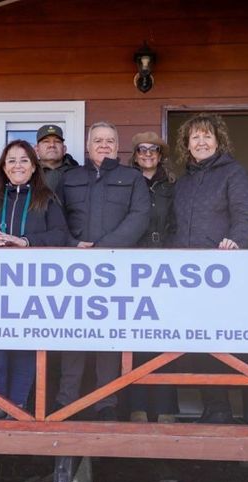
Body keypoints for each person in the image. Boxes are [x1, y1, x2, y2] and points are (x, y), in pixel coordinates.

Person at [54, 121, 150, 421]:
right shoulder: (69, 178)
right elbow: (56, 217)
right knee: (74, 331)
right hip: (75, 270)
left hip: (115, 269)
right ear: (87, 145)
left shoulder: (131, 178)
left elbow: (140, 216)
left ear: (117, 145)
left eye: (110, 140)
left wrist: (106, 248)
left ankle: (106, 402)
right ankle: (66, 399)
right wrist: (72, 244)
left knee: (109, 333)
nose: (104, 145)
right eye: (98, 140)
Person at [0, 140, 68, 419]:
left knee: (24, 343)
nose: (17, 165)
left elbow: (60, 235)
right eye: (11, 161)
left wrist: (26, 242)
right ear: (3, 168)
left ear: (34, 167)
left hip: (33, 287)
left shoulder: (47, 199)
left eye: (24, 160)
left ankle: (17, 405)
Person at [169, 112, 248, 424]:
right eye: (195, 137)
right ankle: (211, 405)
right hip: (185, 277)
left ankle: (226, 408)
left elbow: (245, 214)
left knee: (219, 340)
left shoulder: (233, 173)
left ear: (218, 141)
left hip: (220, 274)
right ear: (187, 145)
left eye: (207, 136)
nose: (201, 142)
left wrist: (236, 241)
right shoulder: (183, 183)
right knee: (191, 341)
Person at [127, 131, 178, 423]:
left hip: (165, 265)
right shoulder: (127, 184)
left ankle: (165, 407)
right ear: (135, 155)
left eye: (154, 150)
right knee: (136, 337)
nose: (147, 154)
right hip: (133, 266)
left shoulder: (172, 187)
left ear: (160, 156)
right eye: (142, 149)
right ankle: (136, 407)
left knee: (164, 336)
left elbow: (178, 222)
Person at [34, 124, 79, 190]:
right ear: (37, 149)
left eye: (57, 141)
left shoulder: (78, 173)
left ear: (64, 149)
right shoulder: (29, 173)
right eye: (46, 141)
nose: (52, 145)